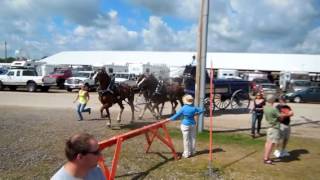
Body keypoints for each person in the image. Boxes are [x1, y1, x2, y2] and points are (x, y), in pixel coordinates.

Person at [263, 95, 290, 164]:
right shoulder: (273, 109)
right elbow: (280, 117)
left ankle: (266, 157)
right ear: (272, 100)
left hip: (269, 126)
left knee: (268, 142)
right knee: (271, 143)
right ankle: (266, 158)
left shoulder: (265, 107)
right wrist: (288, 114)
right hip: (274, 127)